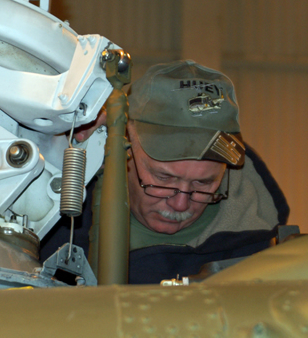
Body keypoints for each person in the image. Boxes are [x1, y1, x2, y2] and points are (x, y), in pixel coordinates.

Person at [40, 60, 289, 284]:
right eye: (163, 178)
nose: (180, 204)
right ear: (122, 145)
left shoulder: (258, 245)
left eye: (203, 183)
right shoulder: (52, 222)